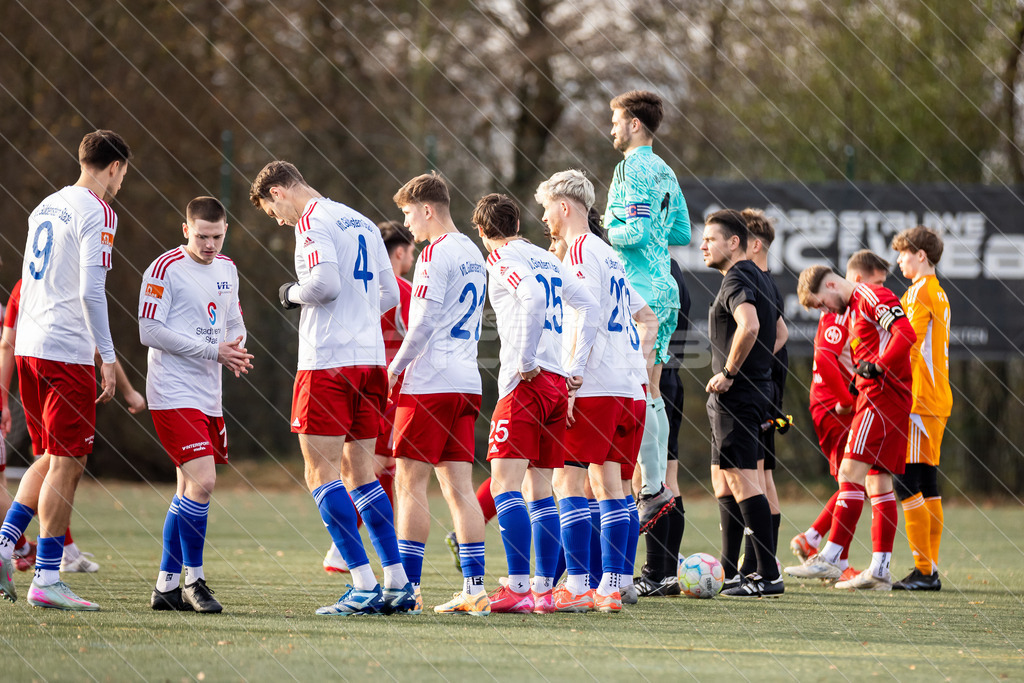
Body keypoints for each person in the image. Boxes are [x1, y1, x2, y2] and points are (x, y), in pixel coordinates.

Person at [250, 160, 413, 616]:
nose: (277, 220)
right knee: (362, 474)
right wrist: (358, 315)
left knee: (321, 473)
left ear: (279, 192)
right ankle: (397, 582)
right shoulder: (359, 219)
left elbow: (322, 284)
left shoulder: (310, 220)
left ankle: (362, 584)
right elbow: (389, 294)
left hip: (328, 363)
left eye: (270, 210)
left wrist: (289, 294)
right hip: (369, 362)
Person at [0, 130, 131, 610]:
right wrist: (109, 357)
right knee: (69, 463)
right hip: (64, 349)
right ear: (115, 166)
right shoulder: (99, 211)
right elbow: (91, 292)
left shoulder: (45, 206)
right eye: (123, 172)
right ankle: (48, 579)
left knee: (53, 455)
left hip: (30, 346)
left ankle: (5, 541)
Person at [537, 170, 657, 613]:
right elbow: (649, 320)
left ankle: (583, 584)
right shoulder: (610, 254)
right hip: (628, 386)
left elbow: (586, 317)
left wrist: (573, 378)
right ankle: (616, 582)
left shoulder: (582, 252)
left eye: (547, 207)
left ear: (564, 207)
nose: (544, 217)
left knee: (568, 479)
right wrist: (636, 370)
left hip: (596, 386)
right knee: (614, 484)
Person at [474, 192, 597, 614]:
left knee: (506, 484)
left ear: (483, 231)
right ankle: (543, 591)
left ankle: (520, 588)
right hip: (557, 383)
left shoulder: (503, 258)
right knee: (540, 490)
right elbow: (589, 306)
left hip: (525, 383)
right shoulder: (546, 258)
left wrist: (525, 359)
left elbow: (532, 298)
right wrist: (573, 365)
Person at [385, 172, 490, 616]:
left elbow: (423, 324)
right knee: (460, 487)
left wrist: (394, 369)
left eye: (409, 213)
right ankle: (475, 588)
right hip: (466, 381)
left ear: (428, 209)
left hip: (430, 383)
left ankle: (407, 589)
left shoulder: (433, 255)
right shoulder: (474, 250)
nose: (408, 225)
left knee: (410, 483)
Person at [142, 197, 252, 613]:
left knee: (188, 488)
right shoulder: (164, 269)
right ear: (185, 229)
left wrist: (237, 349)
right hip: (171, 391)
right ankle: (195, 581)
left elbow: (234, 322)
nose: (210, 245)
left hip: (209, 394)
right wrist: (213, 349)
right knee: (203, 482)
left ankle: (166, 587)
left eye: (218, 236)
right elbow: (149, 329)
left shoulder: (227, 269)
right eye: (202, 236)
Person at [1, 277, 145, 575]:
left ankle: (36, 549)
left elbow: (7, 344)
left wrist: (3, 398)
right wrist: (129, 391)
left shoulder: (26, 283)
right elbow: (98, 344)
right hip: (62, 371)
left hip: (32, 369)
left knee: (51, 464)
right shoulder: (77, 282)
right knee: (62, 465)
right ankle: (39, 562)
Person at [791, 262, 916, 590]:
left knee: (848, 474)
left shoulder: (871, 296)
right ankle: (879, 570)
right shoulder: (860, 303)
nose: (825, 310)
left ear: (831, 286)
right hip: (888, 397)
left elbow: (907, 333)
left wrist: (877, 366)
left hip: (880, 397)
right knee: (879, 484)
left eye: (821, 303)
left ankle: (830, 557)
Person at [604, 90, 691, 531]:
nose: (612, 127)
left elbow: (634, 233)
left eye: (616, 120)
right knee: (651, 389)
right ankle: (653, 487)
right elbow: (682, 229)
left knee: (641, 390)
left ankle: (652, 487)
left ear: (635, 123)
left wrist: (606, 228)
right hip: (664, 286)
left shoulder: (631, 168)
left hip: (640, 294)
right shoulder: (665, 170)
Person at [699, 209, 785, 597]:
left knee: (742, 478)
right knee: (728, 477)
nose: (703, 245)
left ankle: (767, 575)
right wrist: (759, 367)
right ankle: (736, 570)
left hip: (738, 394)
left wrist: (732, 372)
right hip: (752, 391)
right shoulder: (758, 277)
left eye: (710, 239)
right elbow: (777, 331)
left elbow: (750, 325)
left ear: (734, 243)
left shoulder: (736, 276)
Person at [322, 219, 413, 575]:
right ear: (400, 252)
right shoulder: (401, 290)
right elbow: (415, 339)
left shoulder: (358, 288)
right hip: (389, 389)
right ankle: (345, 551)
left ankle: (351, 552)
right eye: (409, 254)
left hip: (356, 378)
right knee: (374, 470)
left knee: (373, 469)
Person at [891, 226, 951, 591]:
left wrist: (881, 370)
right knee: (927, 482)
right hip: (936, 397)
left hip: (918, 399)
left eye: (903, 253)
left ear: (921, 256)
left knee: (906, 480)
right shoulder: (939, 293)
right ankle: (929, 568)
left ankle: (924, 570)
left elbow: (907, 342)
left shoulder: (918, 292)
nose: (900, 260)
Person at [736, 208, 787, 577]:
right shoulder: (766, 282)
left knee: (756, 473)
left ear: (754, 244)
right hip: (767, 387)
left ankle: (761, 563)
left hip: (761, 389)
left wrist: (751, 365)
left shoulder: (757, 283)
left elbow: (775, 334)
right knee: (761, 472)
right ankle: (758, 560)